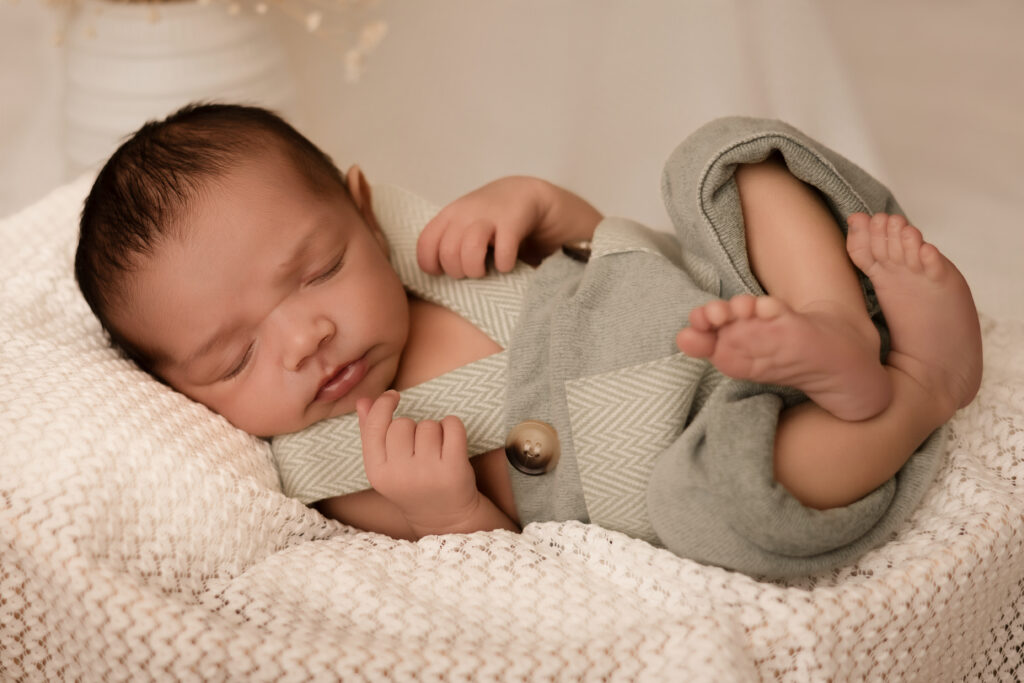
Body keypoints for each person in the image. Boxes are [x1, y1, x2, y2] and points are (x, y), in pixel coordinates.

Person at [74, 103, 982, 577]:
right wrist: (444, 513)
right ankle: (914, 389)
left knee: (717, 157)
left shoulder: (439, 248)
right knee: (721, 505)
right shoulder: (337, 465)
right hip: (707, 442)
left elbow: (609, 254)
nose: (305, 336)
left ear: (360, 209)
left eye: (315, 271)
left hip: (724, 307)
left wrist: (544, 206)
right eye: (236, 358)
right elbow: (505, 563)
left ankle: (831, 315)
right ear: (182, 393)